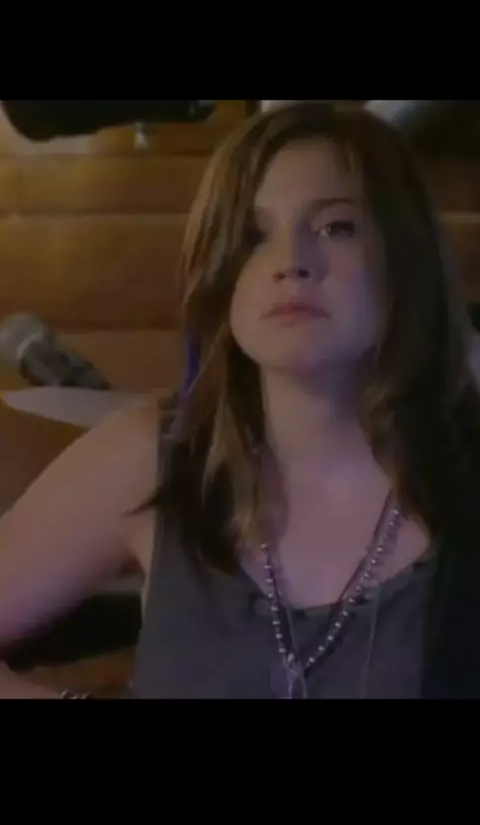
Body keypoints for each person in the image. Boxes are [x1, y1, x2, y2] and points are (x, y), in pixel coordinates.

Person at [1, 100, 480, 699]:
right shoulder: (151, 455)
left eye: (336, 227)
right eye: (253, 236)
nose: (291, 263)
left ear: (403, 259)